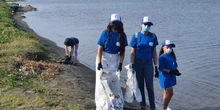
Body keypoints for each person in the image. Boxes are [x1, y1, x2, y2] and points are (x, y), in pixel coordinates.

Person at [95, 13, 128, 110]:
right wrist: (99, 62)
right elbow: (100, 48)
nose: (115, 24)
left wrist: (121, 64)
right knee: (102, 81)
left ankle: (114, 103)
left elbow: (122, 51)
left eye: (117, 22)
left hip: (115, 59)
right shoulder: (105, 33)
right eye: (114, 22)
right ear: (110, 23)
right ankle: (103, 104)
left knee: (114, 82)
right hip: (104, 58)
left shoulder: (122, 35)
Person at [129, 16, 159, 110]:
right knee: (140, 86)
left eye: (149, 25)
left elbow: (154, 52)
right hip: (138, 63)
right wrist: (132, 65)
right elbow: (132, 52)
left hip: (148, 64)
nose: (147, 26)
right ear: (141, 25)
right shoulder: (136, 36)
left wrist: (156, 67)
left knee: (150, 86)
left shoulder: (153, 36)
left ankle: (153, 107)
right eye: (145, 24)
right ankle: (143, 106)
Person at [158, 40, 181, 110]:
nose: (169, 49)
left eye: (170, 47)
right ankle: (164, 108)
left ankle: (165, 106)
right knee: (170, 93)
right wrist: (170, 71)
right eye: (167, 47)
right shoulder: (162, 57)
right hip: (165, 77)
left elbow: (175, 65)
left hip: (171, 76)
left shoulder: (172, 56)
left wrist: (176, 71)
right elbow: (161, 68)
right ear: (163, 48)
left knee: (166, 92)